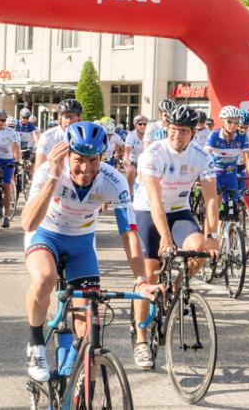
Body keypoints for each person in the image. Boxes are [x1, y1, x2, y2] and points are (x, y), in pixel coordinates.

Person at [22, 121, 162, 381]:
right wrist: (53, 176)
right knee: (45, 278)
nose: (86, 168)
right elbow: (28, 223)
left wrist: (141, 280)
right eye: (79, 159)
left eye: (93, 160)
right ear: (67, 154)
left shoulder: (114, 180)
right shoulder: (49, 171)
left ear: (102, 157)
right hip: (46, 233)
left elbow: (129, 233)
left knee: (89, 328)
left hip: (81, 243)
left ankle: (83, 384)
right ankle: (35, 344)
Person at [133, 105, 220, 366]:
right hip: (148, 210)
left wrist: (212, 234)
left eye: (182, 131)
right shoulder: (154, 153)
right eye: (172, 130)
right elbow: (155, 200)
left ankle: (174, 288)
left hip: (179, 210)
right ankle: (140, 339)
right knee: (149, 273)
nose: (176, 136)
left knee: (199, 250)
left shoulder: (201, 156)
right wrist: (166, 238)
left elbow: (211, 197)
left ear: (193, 132)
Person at [205, 105, 249, 208]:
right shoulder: (214, 135)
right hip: (216, 175)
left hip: (231, 176)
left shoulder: (242, 136)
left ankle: (232, 223)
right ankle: (214, 222)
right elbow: (206, 156)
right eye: (229, 121)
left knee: (233, 208)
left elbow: (248, 161)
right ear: (222, 121)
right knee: (217, 202)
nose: (233, 125)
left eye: (236, 122)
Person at [35, 99, 82, 171]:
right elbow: (39, 168)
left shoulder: (84, 135)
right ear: (60, 118)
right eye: (66, 117)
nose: (69, 121)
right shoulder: (47, 136)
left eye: (73, 116)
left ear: (79, 118)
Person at [124, 115, 148, 196]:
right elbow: (127, 149)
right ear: (135, 125)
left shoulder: (149, 134)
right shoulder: (131, 135)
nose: (143, 126)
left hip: (145, 161)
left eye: (145, 124)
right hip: (133, 160)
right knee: (131, 171)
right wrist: (127, 159)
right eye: (140, 124)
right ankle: (129, 194)